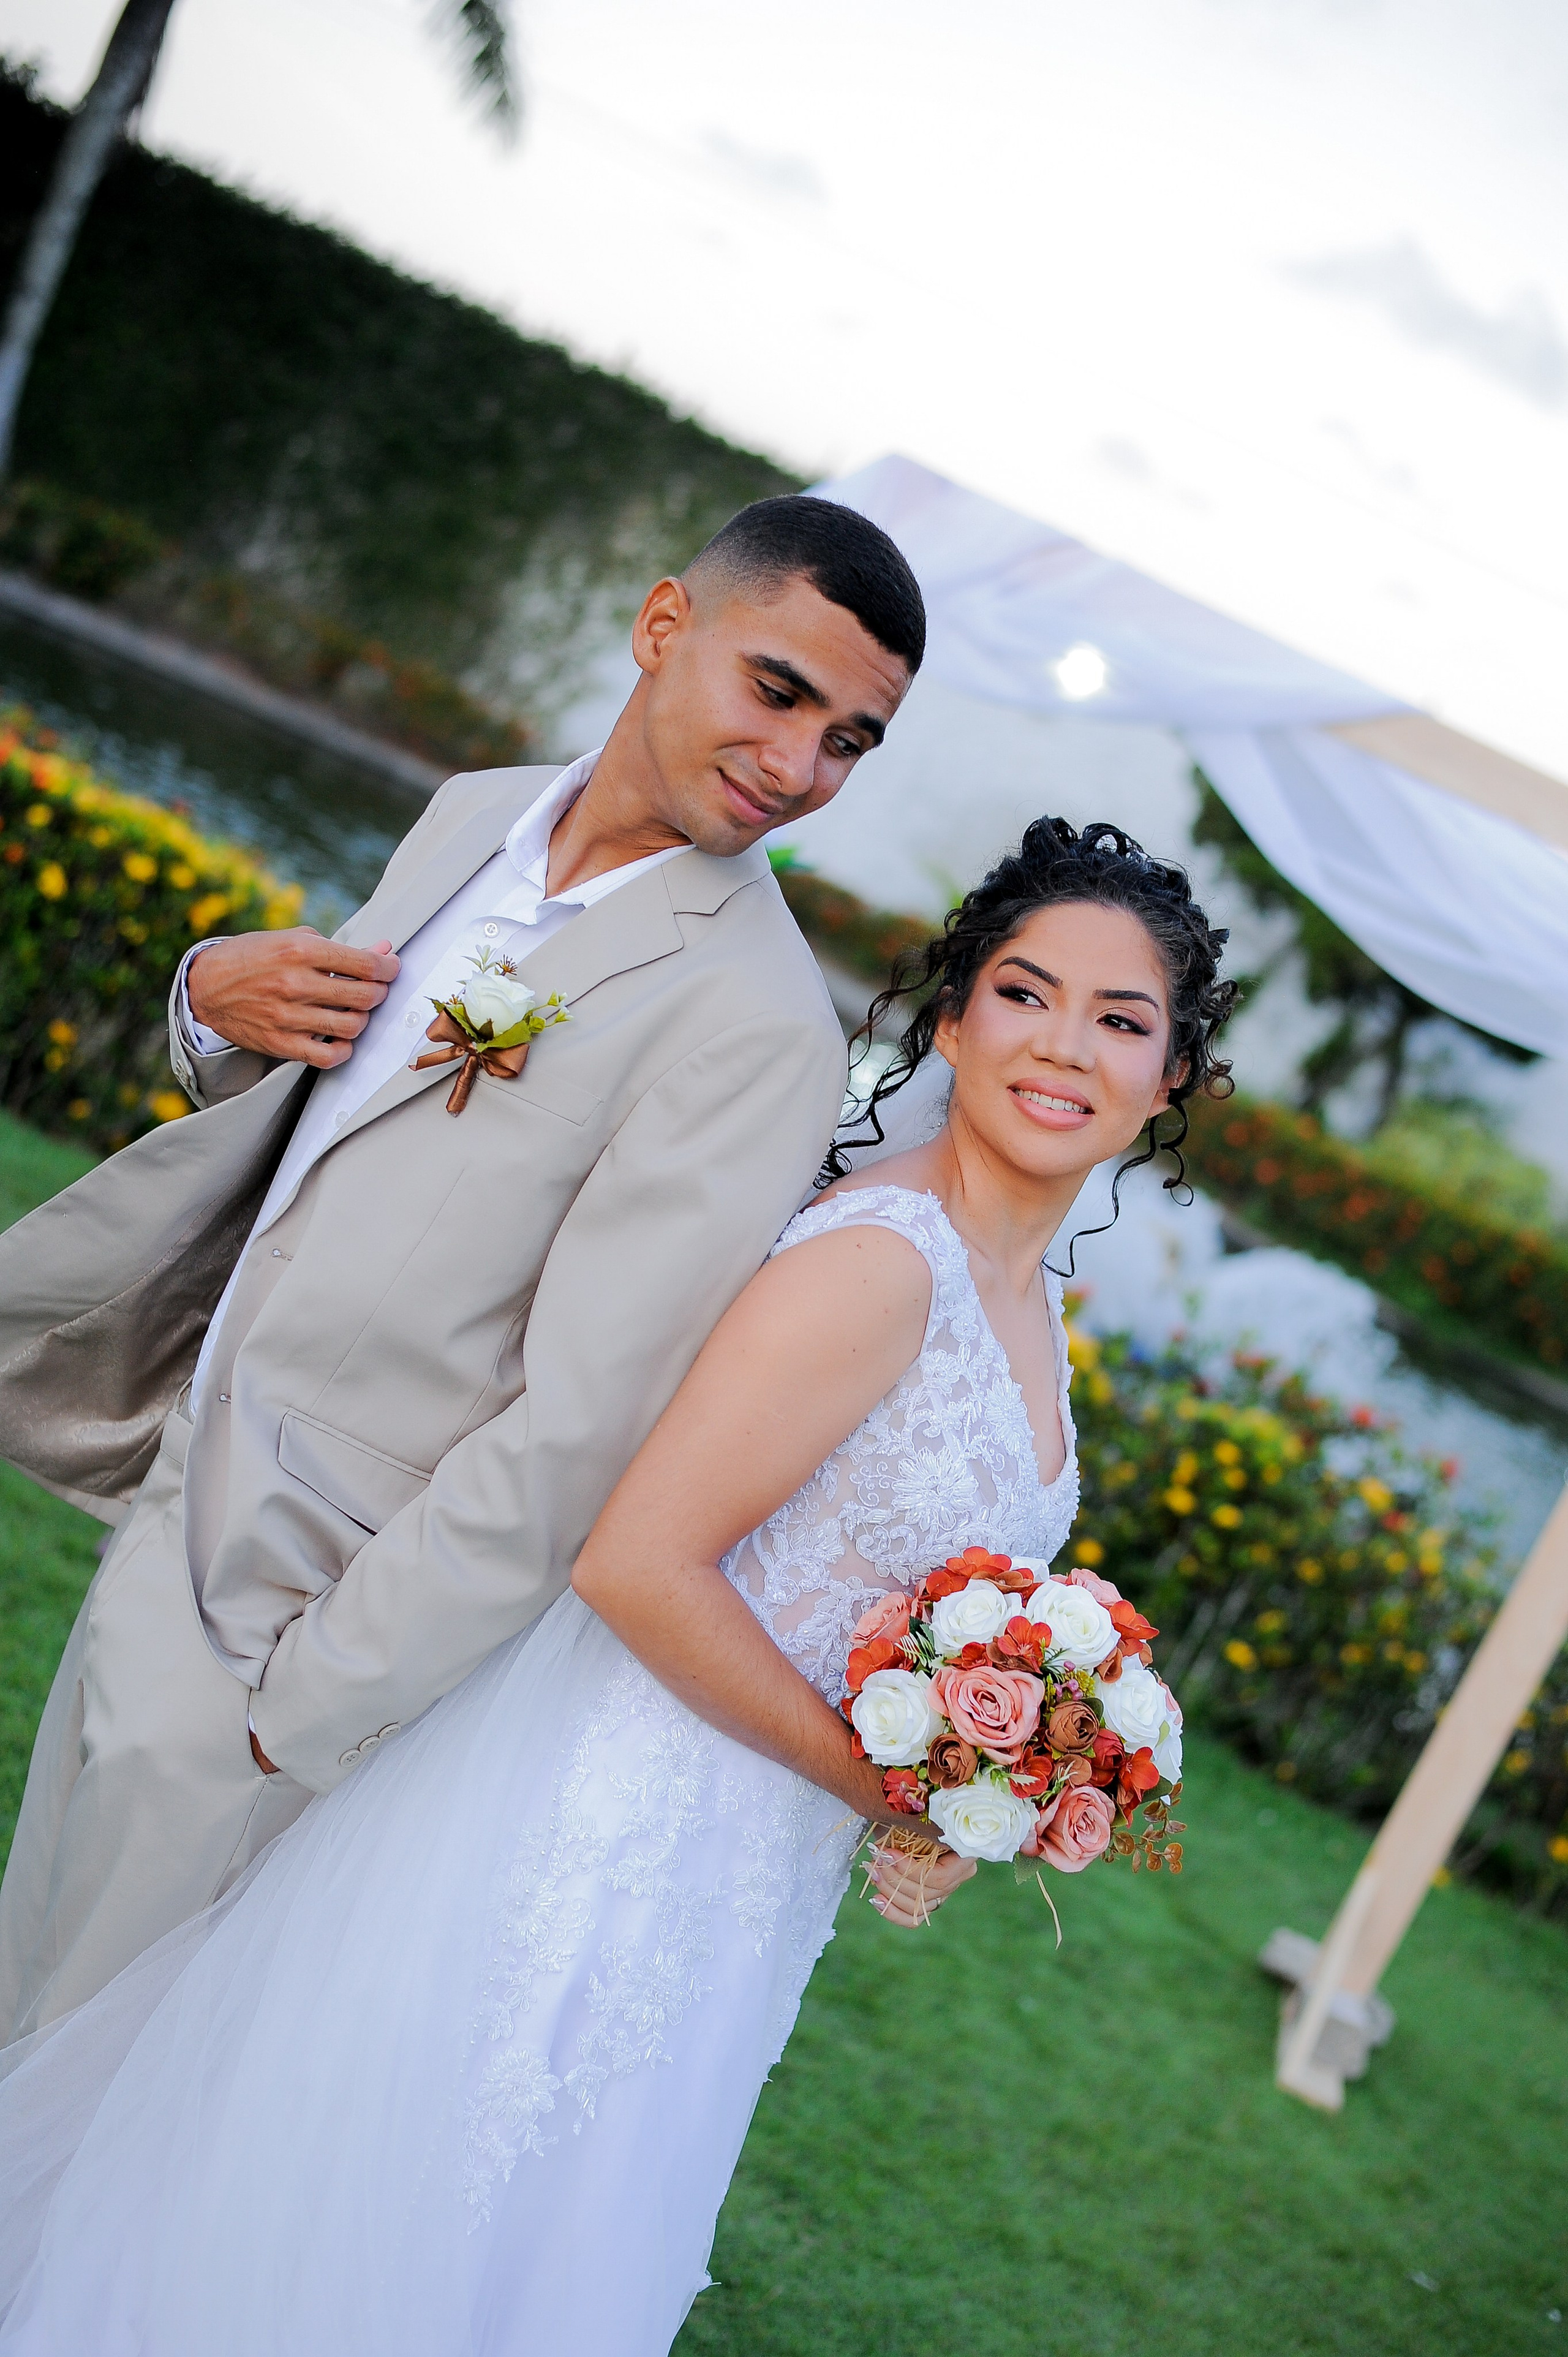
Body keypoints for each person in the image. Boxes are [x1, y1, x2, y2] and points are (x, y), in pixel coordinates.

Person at [0, 819, 1237, 2352]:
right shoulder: (879, 1264)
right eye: (1022, 993)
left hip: (722, 1880)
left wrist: (981, 1759)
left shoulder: (1019, 1291)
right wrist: (885, 1781)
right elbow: (637, 1563)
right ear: (951, 1015)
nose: (1063, 1048)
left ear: (1174, 1073)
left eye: (1120, 1021)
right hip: (591, 1829)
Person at [0, 494, 925, 2042]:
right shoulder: (470, 815)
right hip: (174, 1483)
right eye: (779, 692)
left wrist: (292, 1713)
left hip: (292, 1614)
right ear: (659, 628)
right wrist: (213, 1003)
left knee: (78, 2078)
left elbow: (578, 1432)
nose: (797, 767)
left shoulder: (759, 1028)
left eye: (848, 742)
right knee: (26, 1984)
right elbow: (347, 1124)